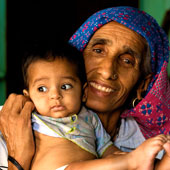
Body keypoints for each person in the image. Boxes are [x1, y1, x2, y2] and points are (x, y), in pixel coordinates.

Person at [0, 6, 170, 170]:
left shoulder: (150, 141)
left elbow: (116, 156)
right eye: (98, 51)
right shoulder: (12, 122)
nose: (106, 71)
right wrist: (18, 156)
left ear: (142, 85)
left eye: (127, 61)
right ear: (78, 57)